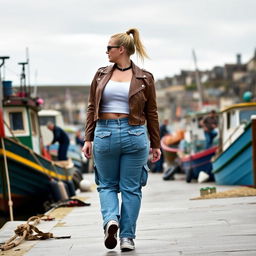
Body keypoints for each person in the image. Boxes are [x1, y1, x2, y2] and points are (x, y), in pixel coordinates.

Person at [82, 28, 161, 252]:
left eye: (109, 48)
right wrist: (155, 144)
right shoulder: (139, 77)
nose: (106, 51)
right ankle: (127, 237)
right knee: (131, 189)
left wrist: (89, 139)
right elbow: (152, 112)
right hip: (134, 134)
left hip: (108, 133)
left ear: (122, 50)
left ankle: (111, 221)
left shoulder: (138, 77)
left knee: (106, 185)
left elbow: (151, 112)